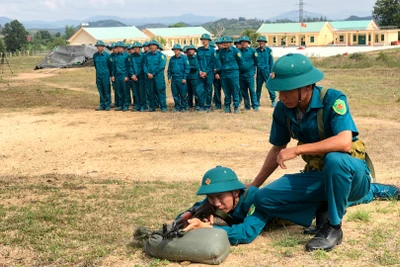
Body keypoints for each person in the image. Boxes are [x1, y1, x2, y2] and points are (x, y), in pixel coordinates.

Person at [250, 53, 377, 251]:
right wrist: (254, 186)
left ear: (308, 86)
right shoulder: (283, 110)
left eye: (287, 91)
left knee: (336, 160)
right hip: (320, 177)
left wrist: (298, 149)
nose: (282, 97)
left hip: (352, 175)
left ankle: (334, 227)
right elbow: (277, 147)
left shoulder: (333, 99)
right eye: (279, 91)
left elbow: (344, 142)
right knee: (262, 198)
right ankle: (320, 208)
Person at [180, 166, 399, 245]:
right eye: (211, 198)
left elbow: (247, 233)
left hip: (312, 206)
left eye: (220, 197)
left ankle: (388, 189)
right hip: (301, 204)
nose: (215, 203)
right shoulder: (216, 202)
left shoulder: (255, 200)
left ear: (236, 192)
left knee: (361, 195)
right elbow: (199, 205)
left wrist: (212, 229)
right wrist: (188, 215)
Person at [217, 36, 243, 114]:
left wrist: (236, 70)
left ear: (230, 43)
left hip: (233, 73)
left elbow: (241, 62)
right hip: (224, 73)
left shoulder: (236, 51)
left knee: (235, 90)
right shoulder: (222, 52)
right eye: (224, 43)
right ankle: (227, 107)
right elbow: (221, 61)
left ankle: (236, 107)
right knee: (226, 91)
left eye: (227, 43)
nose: (225, 44)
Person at [143, 40, 167, 112]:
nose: (152, 46)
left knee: (161, 91)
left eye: (153, 45)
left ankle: (163, 106)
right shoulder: (146, 55)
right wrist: (147, 73)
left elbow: (161, 66)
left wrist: (153, 74)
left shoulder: (161, 55)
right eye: (150, 45)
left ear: (157, 46)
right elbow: (144, 65)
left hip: (158, 77)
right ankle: (152, 107)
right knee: (151, 92)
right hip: (149, 77)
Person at [197, 33, 217, 112]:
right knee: (200, 90)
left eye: (205, 40)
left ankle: (208, 105)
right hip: (200, 73)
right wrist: (200, 71)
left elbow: (212, 62)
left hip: (209, 73)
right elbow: (197, 61)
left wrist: (206, 72)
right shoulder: (199, 50)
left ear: (209, 41)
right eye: (203, 40)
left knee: (208, 89)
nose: (204, 41)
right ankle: (201, 105)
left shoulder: (212, 51)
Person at [239, 36, 259, 112]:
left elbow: (256, 62)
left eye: (245, 42)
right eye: (242, 42)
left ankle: (255, 105)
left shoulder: (252, 51)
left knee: (252, 90)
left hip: (250, 74)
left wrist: (254, 72)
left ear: (248, 43)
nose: (243, 43)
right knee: (244, 91)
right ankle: (247, 106)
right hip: (241, 74)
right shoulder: (238, 51)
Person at [168, 44, 190, 112]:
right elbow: (169, 69)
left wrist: (184, 78)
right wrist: (169, 77)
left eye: (177, 49)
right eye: (175, 50)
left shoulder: (184, 58)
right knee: (175, 94)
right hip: (174, 78)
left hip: (181, 78)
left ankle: (183, 107)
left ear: (180, 50)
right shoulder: (172, 59)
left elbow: (187, 68)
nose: (176, 51)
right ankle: (177, 106)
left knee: (183, 94)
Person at [255, 36, 276, 107]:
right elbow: (254, 62)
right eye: (260, 42)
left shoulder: (269, 51)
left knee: (270, 86)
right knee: (258, 87)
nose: (261, 43)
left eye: (262, 42)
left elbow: (271, 62)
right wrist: (255, 72)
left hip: (267, 71)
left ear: (265, 43)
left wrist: (272, 71)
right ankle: (257, 101)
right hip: (259, 72)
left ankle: (273, 100)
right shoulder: (256, 51)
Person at [93, 40, 112, 111]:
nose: (98, 47)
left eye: (100, 46)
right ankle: (102, 104)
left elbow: (110, 65)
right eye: (97, 46)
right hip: (98, 75)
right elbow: (95, 65)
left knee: (106, 90)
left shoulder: (107, 55)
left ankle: (107, 104)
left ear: (103, 47)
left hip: (105, 75)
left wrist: (110, 74)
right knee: (100, 90)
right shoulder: (95, 55)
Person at [111, 41, 130, 112]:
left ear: (123, 48)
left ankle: (126, 105)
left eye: (119, 47)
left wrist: (127, 75)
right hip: (117, 75)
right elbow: (113, 67)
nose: (118, 49)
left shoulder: (126, 56)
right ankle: (120, 105)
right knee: (119, 91)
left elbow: (128, 67)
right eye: (117, 47)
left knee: (125, 91)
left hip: (124, 75)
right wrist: (113, 75)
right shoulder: (115, 56)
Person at [129, 41, 147, 112]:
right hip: (133, 77)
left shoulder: (143, 56)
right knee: (135, 92)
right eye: (134, 48)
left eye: (137, 47)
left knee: (142, 92)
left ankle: (143, 106)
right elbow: (130, 66)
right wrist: (132, 75)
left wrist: (136, 75)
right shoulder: (132, 56)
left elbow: (143, 67)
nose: (136, 49)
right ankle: (137, 105)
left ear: (140, 48)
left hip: (141, 76)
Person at [186, 45, 204, 111]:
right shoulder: (186, 58)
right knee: (189, 91)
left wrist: (191, 68)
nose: (190, 51)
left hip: (195, 77)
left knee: (196, 91)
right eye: (189, 50)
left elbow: (197, 67)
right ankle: (189, 104)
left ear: (194, 51)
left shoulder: (196, 58)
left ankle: (197, 104)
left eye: (192, 50)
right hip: (188, 77)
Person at [212, 38, 223, 110]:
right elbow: (212, 63)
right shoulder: (215, 53)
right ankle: (218, 104)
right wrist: (216, 73)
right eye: (217, 44)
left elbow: (226, 64)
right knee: (217, 90)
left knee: (227, 90)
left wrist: (219, 70)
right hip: (216, 74)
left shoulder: (226, 52)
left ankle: (227, 104)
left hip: (225, 74)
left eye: (220, 44)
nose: (219, 45)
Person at [109, 42, 119, 108]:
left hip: (120, 74)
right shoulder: (110, 56)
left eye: (115, 48)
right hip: (113, 74)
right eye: (112, 48)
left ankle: (124, 102)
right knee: (115, 88)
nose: (114, 49)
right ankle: (116, 102)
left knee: (122, 89)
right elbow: (110, 66)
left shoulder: (120, 55)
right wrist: (112, 75)